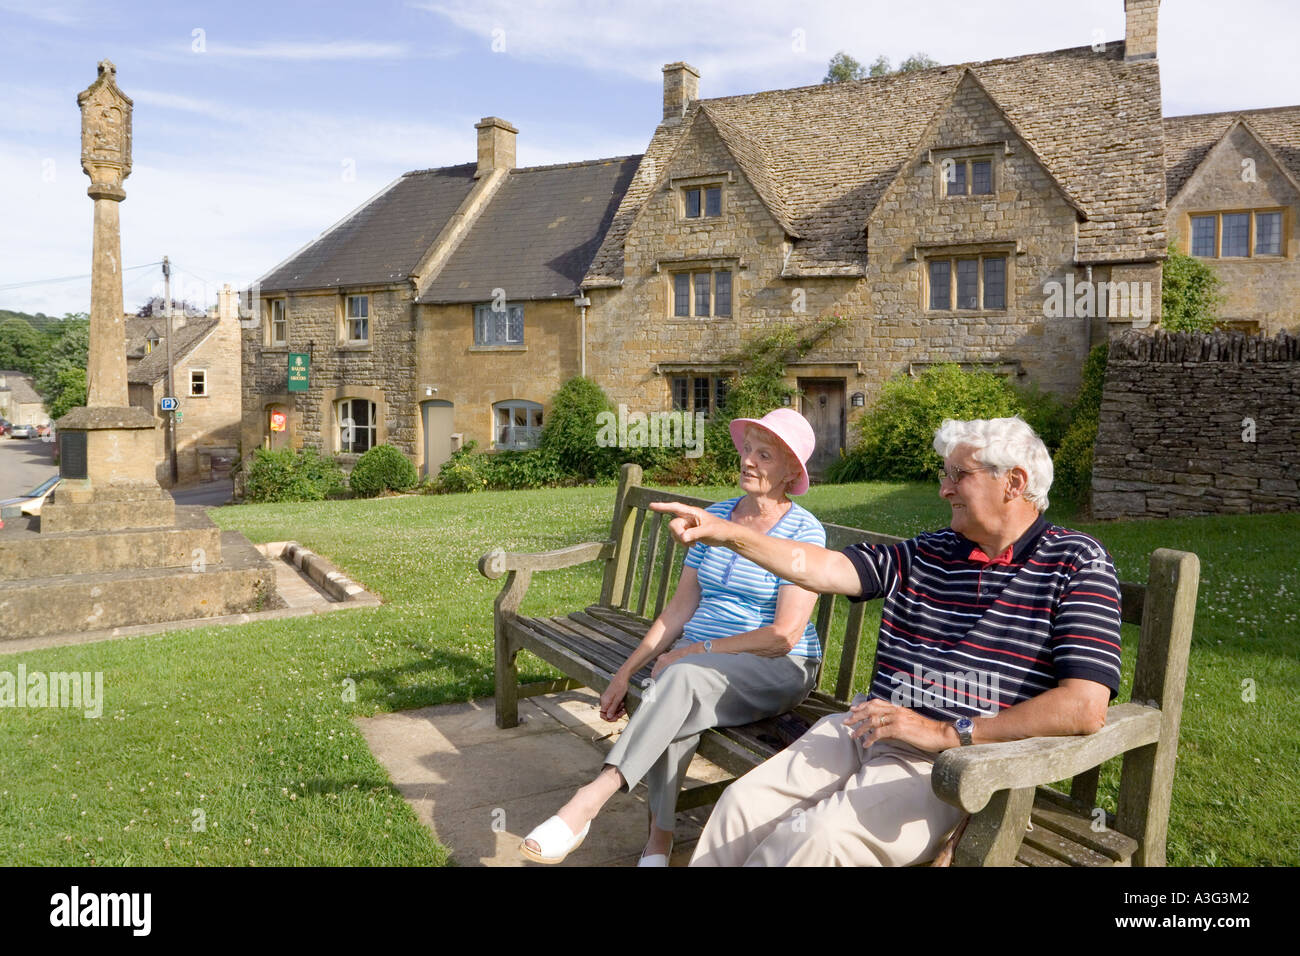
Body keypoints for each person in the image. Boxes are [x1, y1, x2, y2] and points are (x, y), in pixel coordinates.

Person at [650, 416, 1124, 867]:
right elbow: (825, 567)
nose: (944, 489)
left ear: (1014, 483)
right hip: (867, 725)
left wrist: (945, 732)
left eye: (958, 475)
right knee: (741, 804)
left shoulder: (1076, 561)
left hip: (952, 763)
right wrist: (728, 533)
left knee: (817, 839)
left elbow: (1084, 706)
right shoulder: (931, 550)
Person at [519, 408, 827, 866]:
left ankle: (588, 801)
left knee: (678, 681)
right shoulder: (717, 517)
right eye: (747, 450)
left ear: (789, 472)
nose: (748, 461)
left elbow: (783, 636)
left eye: (764, 455)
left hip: (775, 668)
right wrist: (626, 673)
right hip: (695, 669)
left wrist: (696, 651)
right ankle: (658, 846)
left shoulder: (804, 532)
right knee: (679, 702)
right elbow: (679, 609)